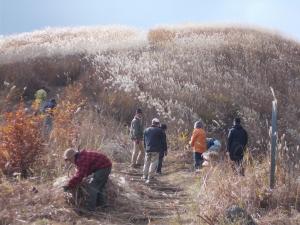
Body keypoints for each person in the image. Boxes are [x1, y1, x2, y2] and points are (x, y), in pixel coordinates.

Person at [143, 118, 166, 183]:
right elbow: (163, 141)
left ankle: (144, 176)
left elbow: (144, 141)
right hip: (156, 150)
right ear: (158, 124)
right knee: (153, 163)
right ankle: (150, 177)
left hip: (147, 149)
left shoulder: (146, 130)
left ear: (152, 123)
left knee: (146, 162)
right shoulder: (160, 131)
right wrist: (164, 149)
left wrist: (145, 148)